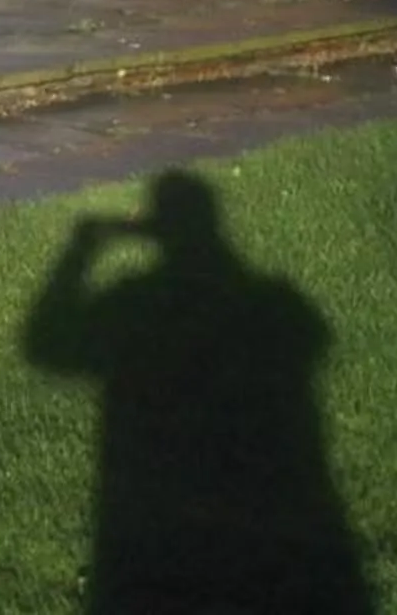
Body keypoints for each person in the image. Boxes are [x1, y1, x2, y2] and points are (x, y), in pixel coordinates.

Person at [21, 170, 371, 613]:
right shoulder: (275, 302)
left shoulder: (133, 304)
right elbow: (317, 341)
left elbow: (45, 345)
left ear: (157, 228)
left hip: (153, 520)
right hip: (274, 512)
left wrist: (84, 245)